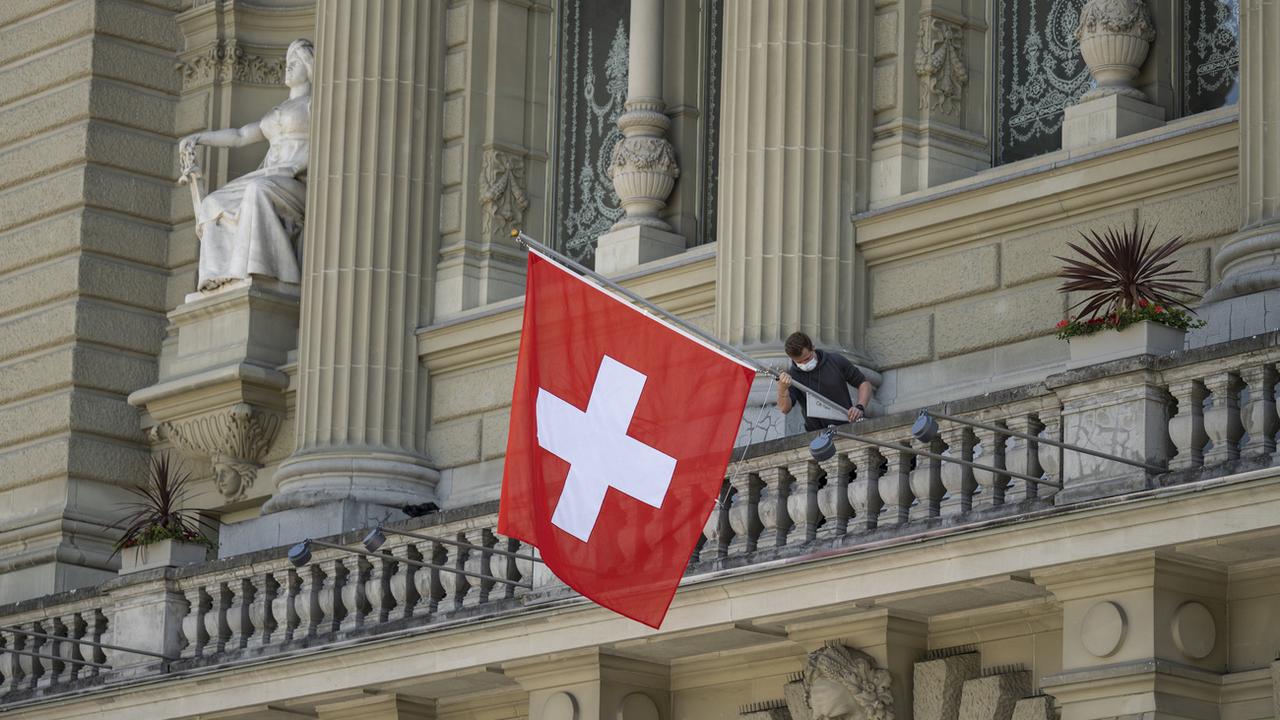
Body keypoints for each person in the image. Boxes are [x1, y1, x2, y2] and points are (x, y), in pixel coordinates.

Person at [179, 38, 314, 292]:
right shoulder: (277, 111)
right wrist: (198, 139)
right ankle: (218, 278)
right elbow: (240, 136)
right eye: (286, 62)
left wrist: (294, 167)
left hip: (296, 183)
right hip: (271, 178)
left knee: (257, 190)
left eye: (295, 62)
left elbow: (327, 146)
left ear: (309, 67)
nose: (288, 67)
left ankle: (255, 271)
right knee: (212, 203)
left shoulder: (314, 106)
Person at [776, 332, 873, 433]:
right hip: (817, 435)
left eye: (807, 358)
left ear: (813, 347)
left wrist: (860, 407)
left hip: (848, 426)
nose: (805, 364)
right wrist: (782, 388)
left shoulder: (835, 360)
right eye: (799, 362)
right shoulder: (793, 376)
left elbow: (864, 383)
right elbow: (784, 409)